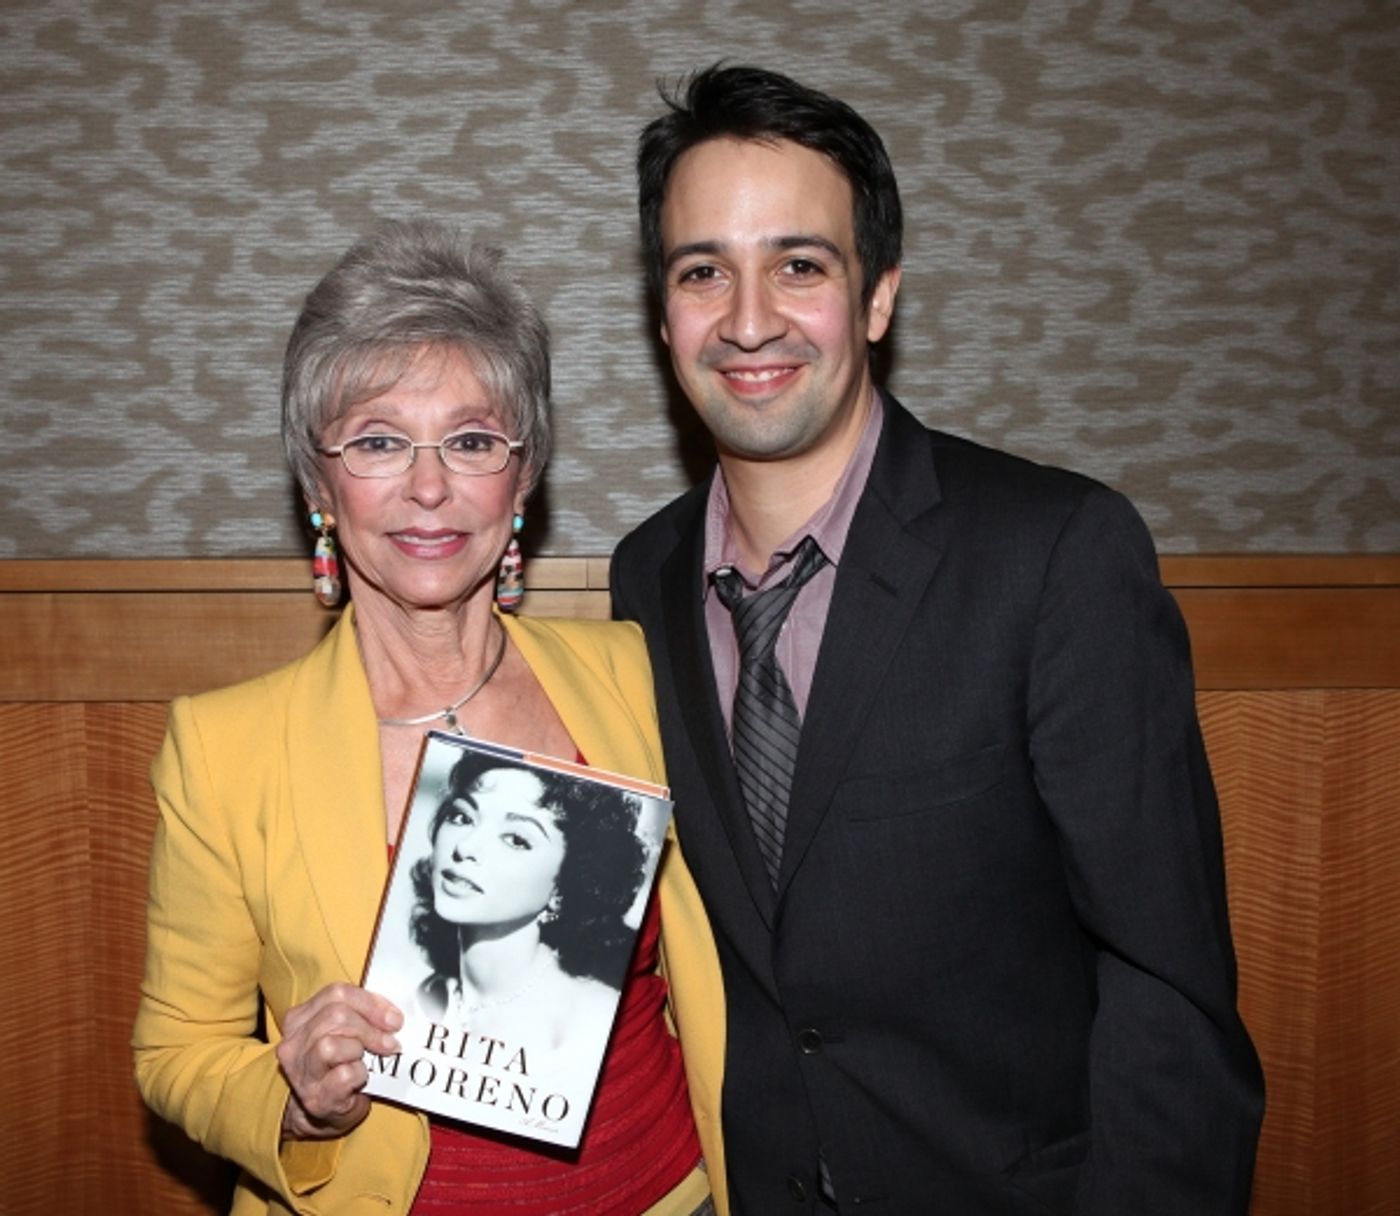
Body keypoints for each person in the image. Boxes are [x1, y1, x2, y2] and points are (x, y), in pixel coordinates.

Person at [611, 64, 1265, 1214]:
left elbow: (1167, 992)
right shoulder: (642, 577)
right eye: (702, 270)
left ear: (875, 298)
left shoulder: (1055, 551)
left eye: (798, 266)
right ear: (663, 314)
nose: (748, 318)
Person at [133, 218, 726, 1216]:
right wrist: (291, 1096)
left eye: (470, 438)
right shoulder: (224, 749)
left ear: (522, 474)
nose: (428, 484)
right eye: (376, 440)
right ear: (318, 481)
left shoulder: (629, 672)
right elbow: (173, 1048)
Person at [409, 751, 648, 1043]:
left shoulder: (591, 1020)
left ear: (564, 885)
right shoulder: (421, 1000)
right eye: (462, 817)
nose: (466, 846)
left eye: (515, 840)